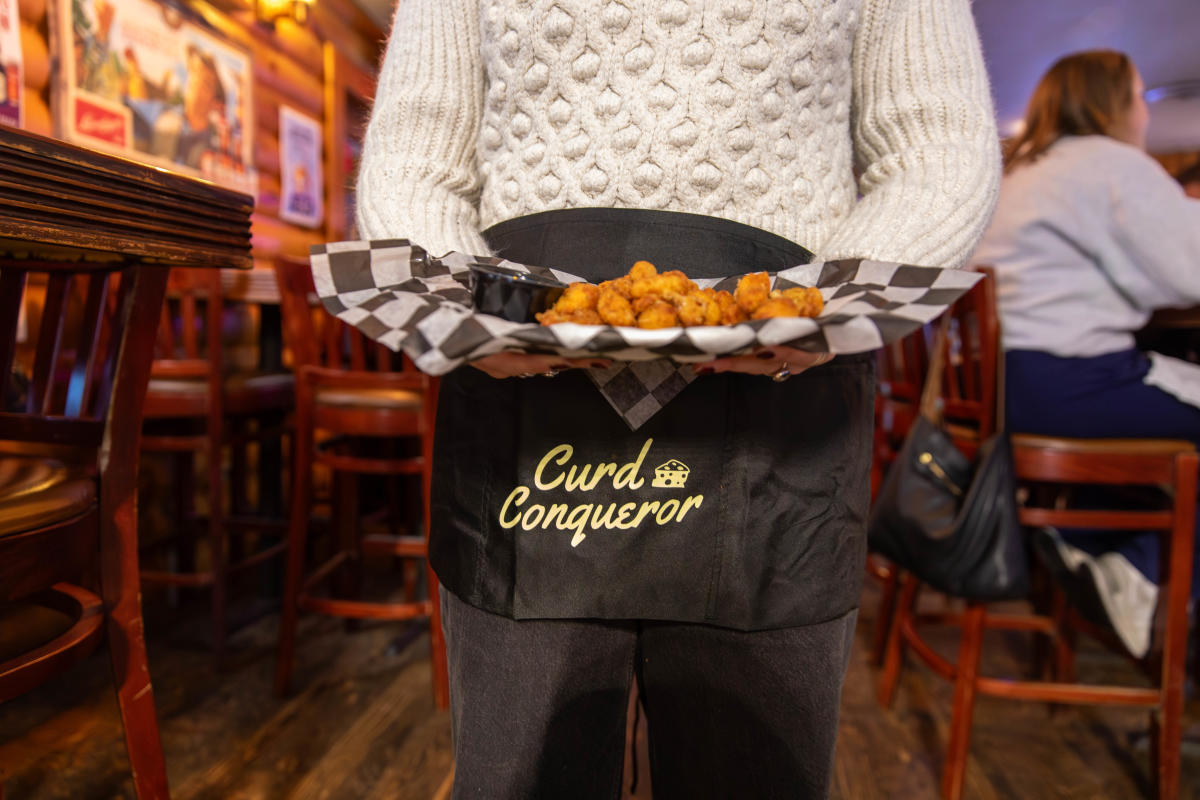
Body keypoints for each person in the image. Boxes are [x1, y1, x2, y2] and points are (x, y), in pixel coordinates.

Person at [356, 1, 999, 796]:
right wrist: (470, 313)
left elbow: (937, 147)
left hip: (785, 405)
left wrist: (816, 310)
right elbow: (414, 156)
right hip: (517, 384)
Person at [972, 50, 1200, 659]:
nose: (1145, 114)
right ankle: (1139, 565)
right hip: (1066, 387)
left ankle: (1088, 540)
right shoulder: (1112, 165)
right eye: (1139, 97)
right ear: (1115, 102)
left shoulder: (1019, 172)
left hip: (1005, 391)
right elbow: (1190, 269)